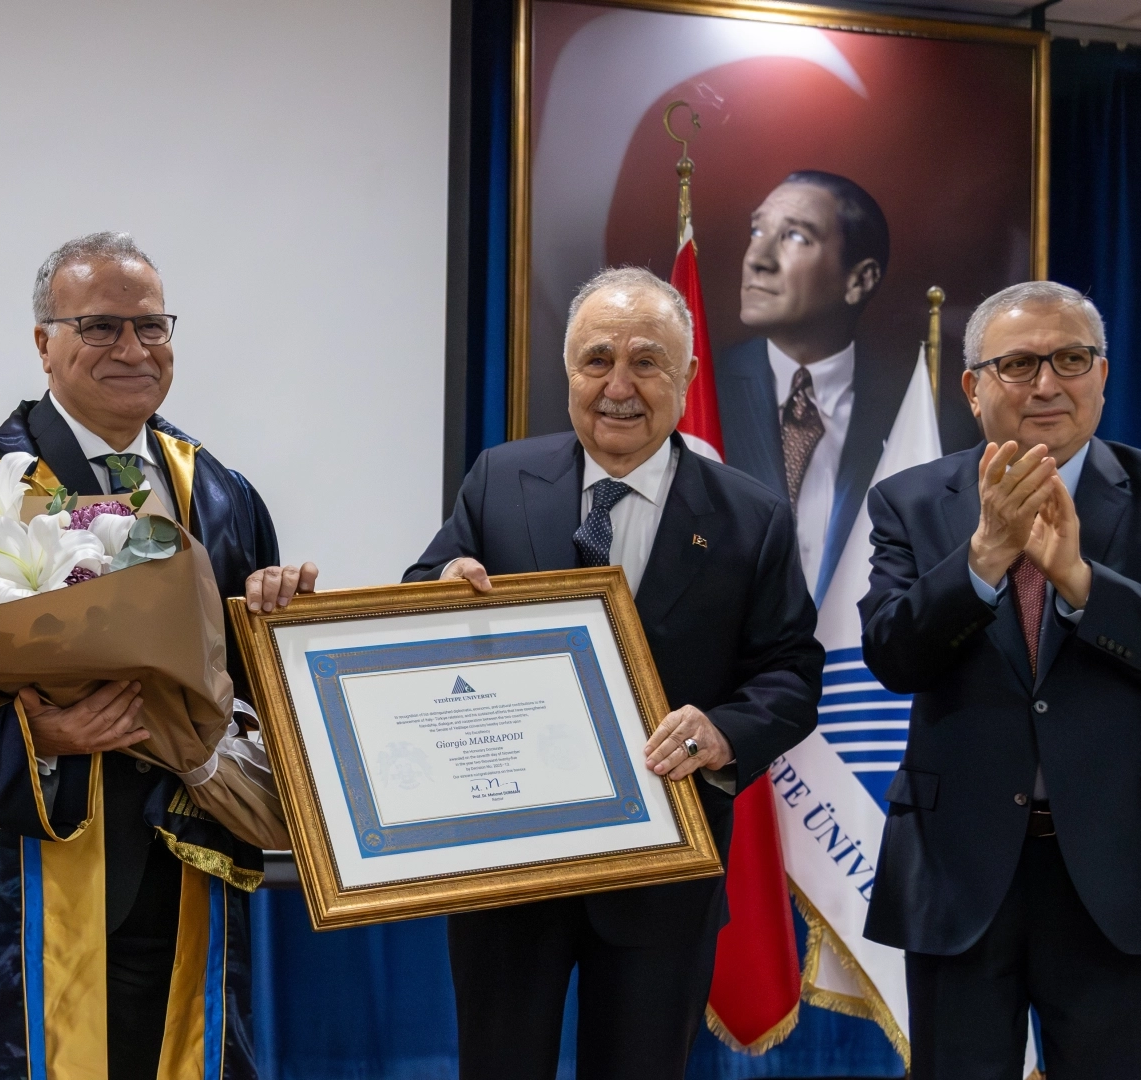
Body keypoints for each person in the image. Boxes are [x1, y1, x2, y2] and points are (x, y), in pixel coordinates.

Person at [0, 232, 295, 1080]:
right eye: (100, 326)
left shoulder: (221, 493)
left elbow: (250, 686)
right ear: (44, 343)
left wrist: (281, 623)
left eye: (151, 326)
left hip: (186, 868)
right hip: (22, 878)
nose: (132, 348)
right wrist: (38, 742)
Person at [405, 266, 823, 1078]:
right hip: (510, 867)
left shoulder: (753, 518)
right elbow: (423, 588)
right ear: (569, 371)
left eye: (646, 361)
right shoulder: (499, 479)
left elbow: (791, 673)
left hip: (662, 874)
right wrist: (442, 587)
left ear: (688, 376)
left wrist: (722, 731)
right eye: (597, 360)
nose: (618, 387)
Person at [860, 280, 1141, 1076]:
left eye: (1071, 360)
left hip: (1118, 871)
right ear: (973, 387)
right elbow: (891, 656)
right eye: (1019, 364)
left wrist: (1081, 581)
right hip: (960, 871)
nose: (1047, 384)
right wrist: (982, 559)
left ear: (1103, 375)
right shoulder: (910, 502)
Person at [716, 171, 904, 598]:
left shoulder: (919, 414)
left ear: (860, 280)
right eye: (757, 230)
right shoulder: (696, 396)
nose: (757, 258)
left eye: (796, 237)